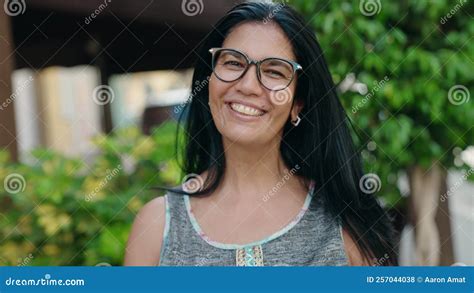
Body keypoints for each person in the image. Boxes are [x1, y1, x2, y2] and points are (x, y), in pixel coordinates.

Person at [125, 1, 397, 266]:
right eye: (233, 63)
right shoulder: (157, 227)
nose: (247, 85)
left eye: (274, 71)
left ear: (297, 104)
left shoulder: (346, 224)